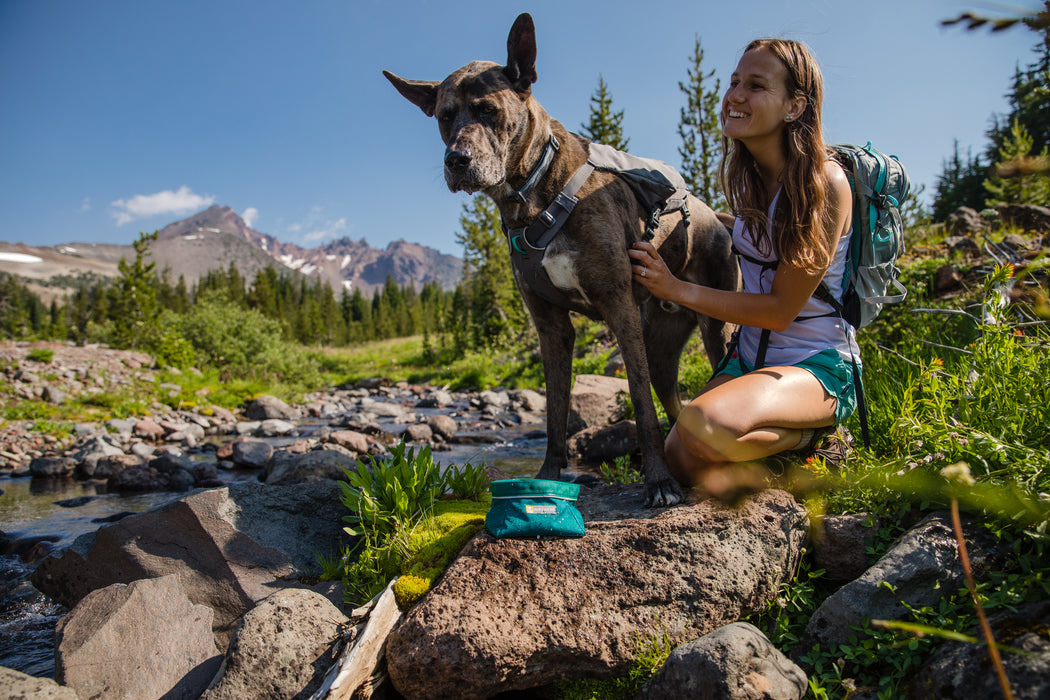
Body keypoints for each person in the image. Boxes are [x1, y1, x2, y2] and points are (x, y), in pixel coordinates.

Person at [627, 38, 858, 488]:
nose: (734, 95)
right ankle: (781, 452)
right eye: (734, 81)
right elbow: (764, 241)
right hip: (754, 359)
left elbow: (779, 310)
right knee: (680, 458)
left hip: (816, 364)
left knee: (701, 427)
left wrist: (675, 289)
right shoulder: (755, 180)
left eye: (755, 85)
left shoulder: (824, 184)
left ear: (794, 106)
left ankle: (815, 436)